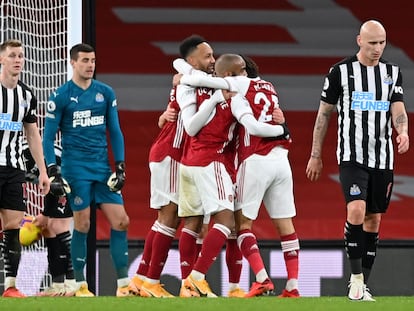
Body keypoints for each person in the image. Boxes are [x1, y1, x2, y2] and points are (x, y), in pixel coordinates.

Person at [175, 54, 300, 298]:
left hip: (252, 160)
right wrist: (284, 130)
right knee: (286, 227)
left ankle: (258, 279)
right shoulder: (270, 87)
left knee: (238, 224)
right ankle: (292, 286)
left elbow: (249, 124)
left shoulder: (237, 88)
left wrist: (186, 78)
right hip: (281, 159)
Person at [305, 20, 409, 301]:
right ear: (359, 41)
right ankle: (355, 280)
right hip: (352, 156)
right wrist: (316, 154)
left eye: (382, 42)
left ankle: (365, 283)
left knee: (374, 219)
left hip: (382, 157)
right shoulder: (340, 72)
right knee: (356, 211)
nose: (378, 48)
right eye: (373, 42)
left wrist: (402, 130)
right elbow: (324, 114)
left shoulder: (392, 73)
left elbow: (397, 105)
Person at [42, 43, 131, 297]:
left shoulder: (105, 93)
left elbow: (115, 130)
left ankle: (124, 285)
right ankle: (79, 284)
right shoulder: (60, 96)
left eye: (93, 60)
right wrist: (52, 171)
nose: (90, 65)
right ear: (72, 63)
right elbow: (48, 138)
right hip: (76, 170)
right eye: (84, 61)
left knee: (121, 221)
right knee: (82, 223)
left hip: (102, 169)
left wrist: (120, 165)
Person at [0, 39, 50, 298]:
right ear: (1, 59)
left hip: (12, 168)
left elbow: (32, 133)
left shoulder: (26, 95)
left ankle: (10, 287)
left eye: (20, 55)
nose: (17, 59)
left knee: (13, 227)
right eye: (12, 55)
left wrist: (42, 170)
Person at [23, 144, 77, 297]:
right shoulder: (9, 165)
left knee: (59, 225)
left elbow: (54, 183)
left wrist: (45, 214)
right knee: (48, 229)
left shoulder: (25, 155)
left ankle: (74, 283)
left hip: (67, 178)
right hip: (54, 185)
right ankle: (58, 285)